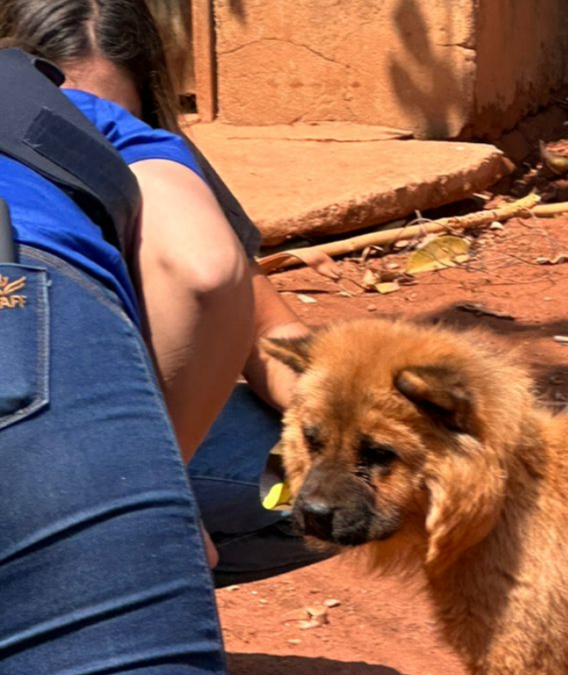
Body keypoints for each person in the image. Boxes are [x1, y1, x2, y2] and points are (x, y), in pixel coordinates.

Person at [0, 1, 329, 671]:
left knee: (332, 477)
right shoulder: (114, 140)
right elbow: (206, 273)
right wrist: (152, 491)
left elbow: (273, 333)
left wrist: (345, 422)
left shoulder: (143, 151)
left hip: (104, 416)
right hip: (68, 398)